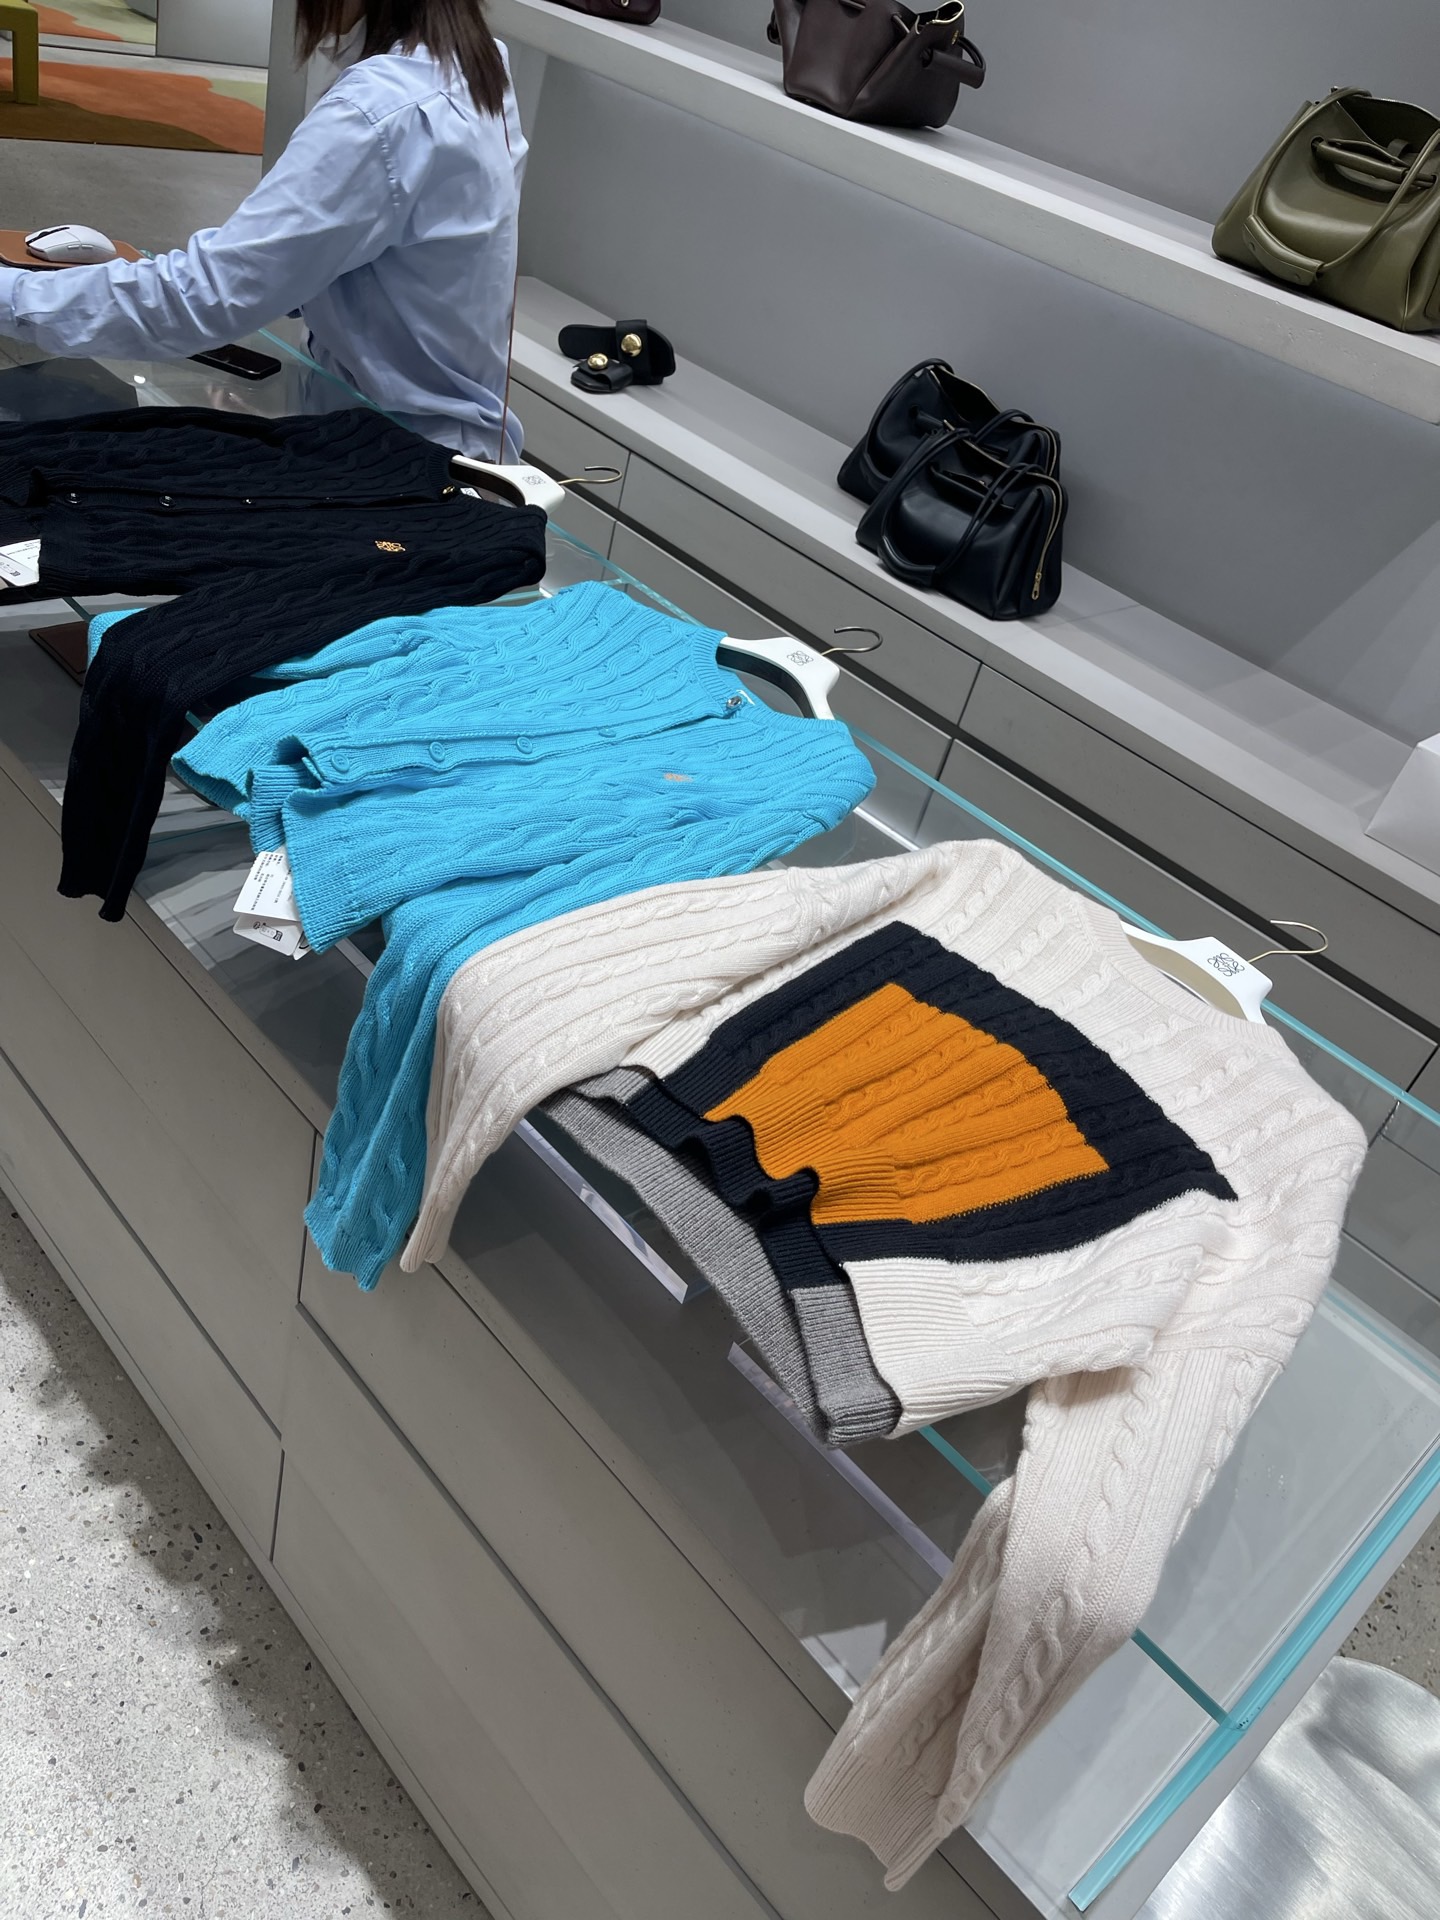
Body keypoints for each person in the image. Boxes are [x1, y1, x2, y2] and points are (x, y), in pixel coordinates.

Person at [0, 0, 526, 456]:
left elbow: (207, 298)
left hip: (397, 459)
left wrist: (12, 295)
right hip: (407, 432)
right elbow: (375, 254)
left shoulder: (379, 110)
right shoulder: (472, 66)